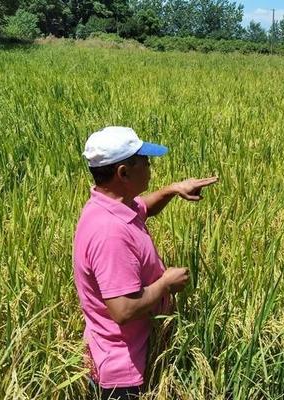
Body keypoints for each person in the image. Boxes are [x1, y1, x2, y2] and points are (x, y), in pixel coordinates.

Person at [73, 126, 218, 399]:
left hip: (126, 356)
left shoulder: (110, 205)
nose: (151, 166)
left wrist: (174, 190)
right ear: (124, 173)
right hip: (121, 376)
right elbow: (123, 310)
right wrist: (166, 284)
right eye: (145, 161)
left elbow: (144, 207)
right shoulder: (109, 232)